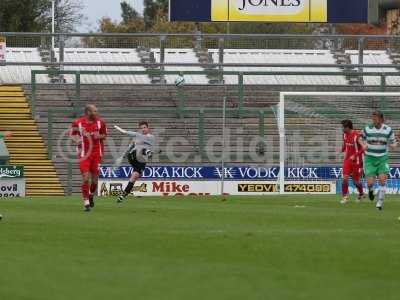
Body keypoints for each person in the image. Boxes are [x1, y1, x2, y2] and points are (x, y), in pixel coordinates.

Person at [70, 105, 107, 211]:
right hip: (84, 155)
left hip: (97, 154)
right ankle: (86, 201)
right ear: (88, 112)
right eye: (95, 111)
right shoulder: (78, 123)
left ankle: (90, 195)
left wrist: (99, 136)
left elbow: (104, 135)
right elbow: (72, 134)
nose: (97, 113)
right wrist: (76, 140)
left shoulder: (101, 122)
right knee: (86, 178)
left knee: (95, 180)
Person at [361, 111, 397, 210]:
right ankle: (371, 190)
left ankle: (379, 203)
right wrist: (363, 144)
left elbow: (394, 144)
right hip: (369, 158)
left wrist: (392, 145)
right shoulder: (367, 129)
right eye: (372, 119)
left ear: (381, 119)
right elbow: (360, 138)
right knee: (370, 183)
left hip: (382, 158)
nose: (373, 121)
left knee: (382, 180)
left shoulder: (388, 130)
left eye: (375, 119)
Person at [114, 121, 155, 203]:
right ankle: (147, 152)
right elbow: (129, 146)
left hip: (141, 161)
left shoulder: (151, 137)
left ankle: (123, 195)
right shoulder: (137, 136)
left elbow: (150, 146)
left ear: (148, 128)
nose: (143, 129)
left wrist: (150, 151)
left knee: (134, 177)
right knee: (140, 148)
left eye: (144, 127)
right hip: (133, 156)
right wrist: (122, 156)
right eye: (141, 128)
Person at [340, 120, 365, 204]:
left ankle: (361, 193)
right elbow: (345, 144)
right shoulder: (344, 135)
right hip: (347, 160)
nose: (342, 128)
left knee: (356, 182)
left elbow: (364, 147)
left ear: (347, 127)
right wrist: (342, 149)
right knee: (345, 178)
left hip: (357, 162)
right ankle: (344, 197)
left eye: (343, 127)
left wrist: (355, 155)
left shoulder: (356, 135)